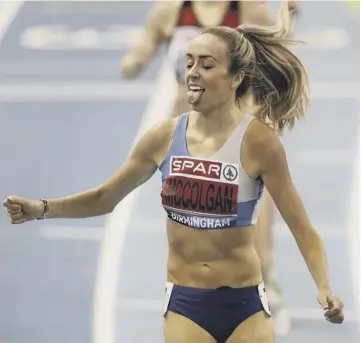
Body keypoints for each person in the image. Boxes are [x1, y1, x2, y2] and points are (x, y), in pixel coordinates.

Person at [4, 3, 344, 343]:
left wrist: (324, 286)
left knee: (263, 245)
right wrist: (43, 208)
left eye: (206, 65)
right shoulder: (163, 138)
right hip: (187, 306)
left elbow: (304, 231)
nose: (193, 72)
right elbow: (104, 198)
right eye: (189, 61)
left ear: (236, 77)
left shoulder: (259, 143)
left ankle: (275, 292)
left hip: (246, 307)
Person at [121, 1, 297, 335]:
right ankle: (191, 296)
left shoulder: (247, 10)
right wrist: (135, 60)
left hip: (239, 129)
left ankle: (266, 285)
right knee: (189, 220)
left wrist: (289, 16)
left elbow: (275, 51)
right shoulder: (171, 11)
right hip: (190, 136)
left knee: (255, 216)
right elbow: (142, 47)